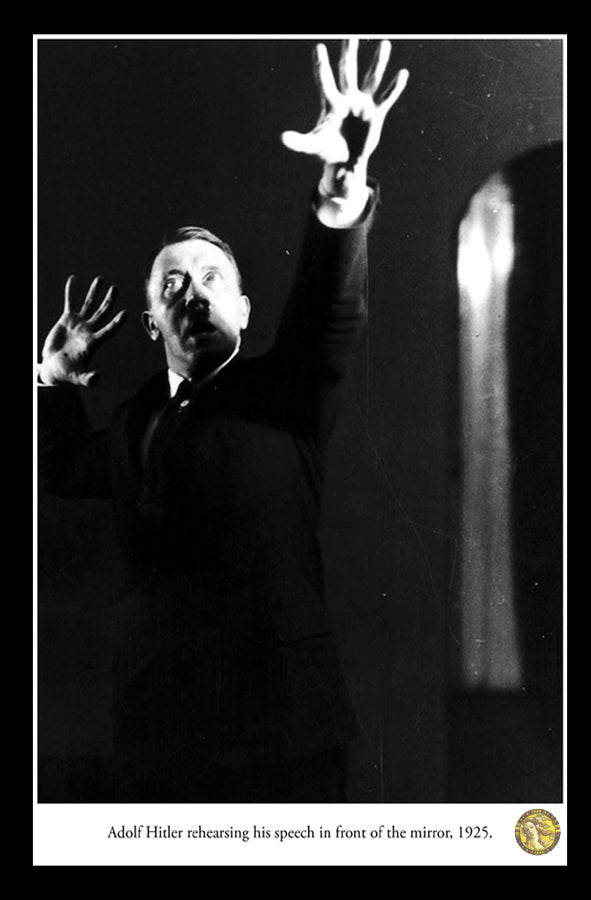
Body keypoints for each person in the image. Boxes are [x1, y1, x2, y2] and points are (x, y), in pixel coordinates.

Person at [38, 39, 409, 802]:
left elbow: (326, 312)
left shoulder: (286, 389)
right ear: (150, 322)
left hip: (281, 738)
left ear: (242, 307)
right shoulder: (139, 418)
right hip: (158, 738)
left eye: (213, 279)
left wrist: (341, 194)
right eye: (173, 282)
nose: (193, 291)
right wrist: (53, 379)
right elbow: (62, 467)